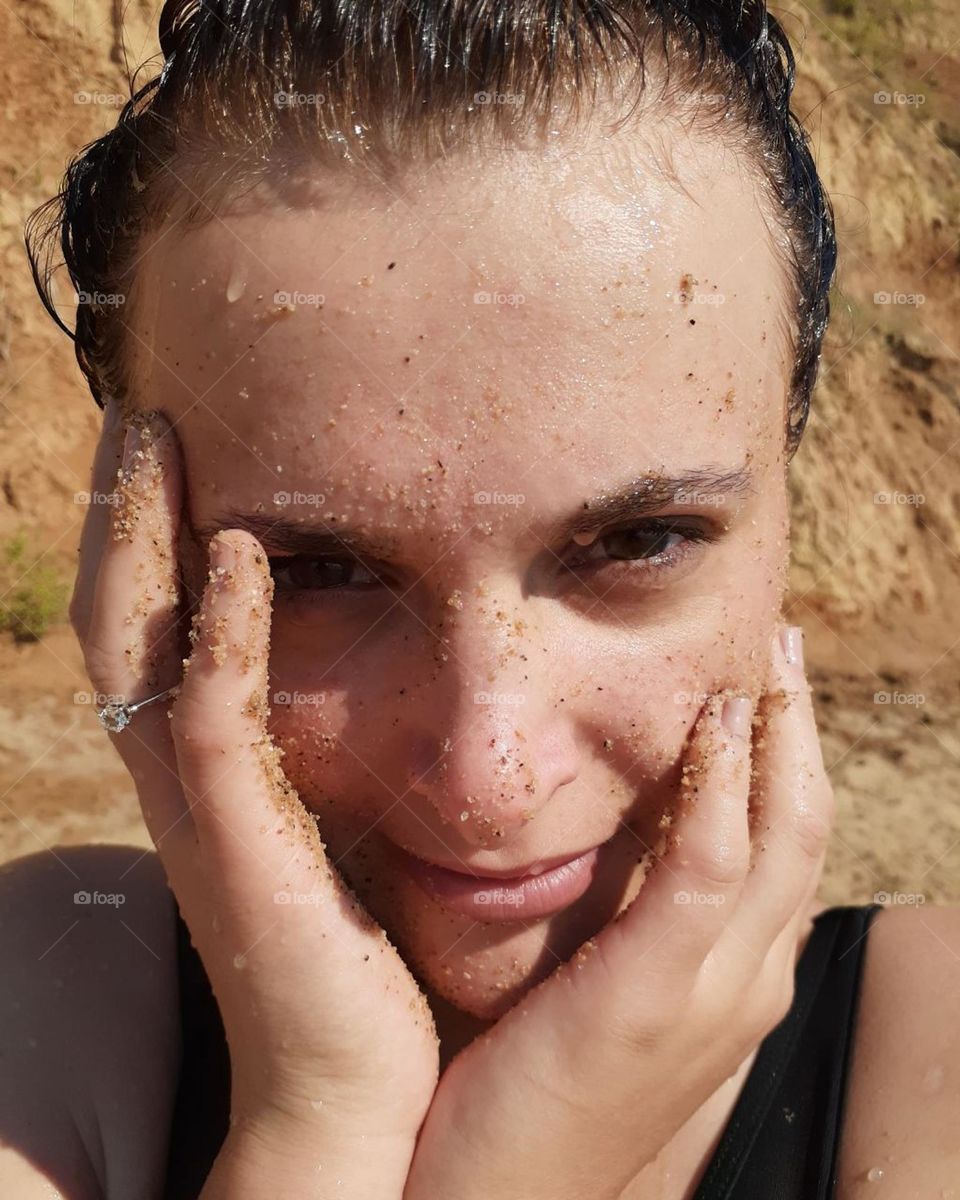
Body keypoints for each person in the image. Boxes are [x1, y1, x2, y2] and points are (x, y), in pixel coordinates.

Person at [8, 0, 957, 1196]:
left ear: (783, 499)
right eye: (314, 570)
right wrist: (324, 1117)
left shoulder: (934, 1057)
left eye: (639, 541)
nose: (485, 786)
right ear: (144, 565)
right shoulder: (43, 1002)